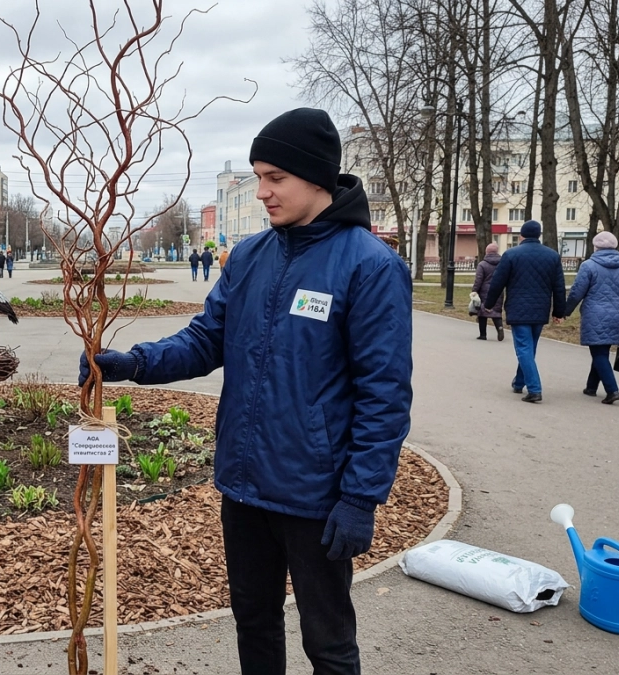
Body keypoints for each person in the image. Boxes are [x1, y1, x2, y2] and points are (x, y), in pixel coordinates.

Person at [79, 108, 412, 675]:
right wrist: (132, 364)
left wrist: (361, 497)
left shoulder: (370, 266)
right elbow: (206, 340)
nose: (262, 192)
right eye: (258, 176)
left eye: (274, 178)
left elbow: (384, 394)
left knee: (328, 643)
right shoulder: (251, 256)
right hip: (245, 484)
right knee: (253, 623)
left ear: (317, 177)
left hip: (318, 495)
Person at [484, 219, 566, 403]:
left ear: (521, 235)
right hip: (540, 309)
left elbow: (498, 282)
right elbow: (559, 286)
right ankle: (519, 382)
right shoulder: (552, 256)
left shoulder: (512, 254)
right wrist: (559, 312)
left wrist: (489, 304)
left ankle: (535, 389)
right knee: (529, 348)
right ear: (539, 235)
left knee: (524, 348)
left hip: (518, 308)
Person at [565, 231, 619, 404]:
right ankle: (591, 387)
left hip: (595, 313)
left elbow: (577, 292)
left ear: (596, 246)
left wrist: (565, 310)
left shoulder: (588, 266)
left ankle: (612, 390)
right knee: (601, 350)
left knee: (598, 352)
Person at [472, 242, 505, 341]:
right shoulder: (502, 263)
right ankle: (499, 328)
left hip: (484, 290)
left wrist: (474, 290)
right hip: (499, 290)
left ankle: (483, 335)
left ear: (487, 252)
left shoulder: (482, 264)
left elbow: (479, 279)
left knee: (482, 312)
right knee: (496, 311)